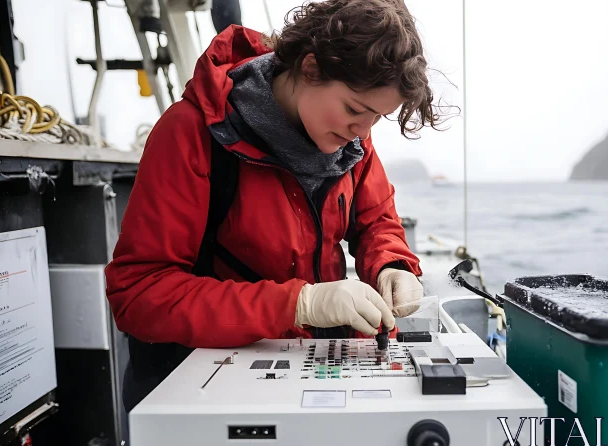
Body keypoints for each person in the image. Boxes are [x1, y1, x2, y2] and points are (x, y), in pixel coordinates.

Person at [104, 0, 444, 412]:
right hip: (209, 384)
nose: (363, 130)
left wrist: (393, 266)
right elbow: (140, 295)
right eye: (356, 109)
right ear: (311, 68)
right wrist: (299, 304)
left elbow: (377, 223)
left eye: (377, 117)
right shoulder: (191, 134)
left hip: (313, 372)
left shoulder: (350, 140)